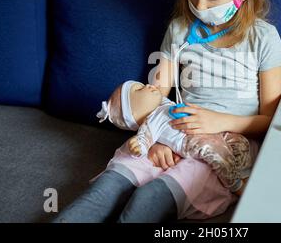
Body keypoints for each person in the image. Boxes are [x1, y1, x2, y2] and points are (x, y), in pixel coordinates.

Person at [53, 0, 281, 223]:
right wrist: (159, 137)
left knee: (147, 202)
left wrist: (219, 122)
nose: (200, 6)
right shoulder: (179, 30)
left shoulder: (264, 39)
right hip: (174, 129)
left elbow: (271, 120)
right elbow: (157, 95)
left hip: (227, 144)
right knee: (106, 188)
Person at [95, 80, 253, 193]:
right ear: (134, 113)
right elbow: (144, 137)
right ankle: (235, 184)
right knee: (215, 152)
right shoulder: (151, 121)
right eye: (140, 89)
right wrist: (140, 145)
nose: (148, 85)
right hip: (191, 141)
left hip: (209, 128)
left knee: (239, 141)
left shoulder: (163, 103)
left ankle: (242, 170)